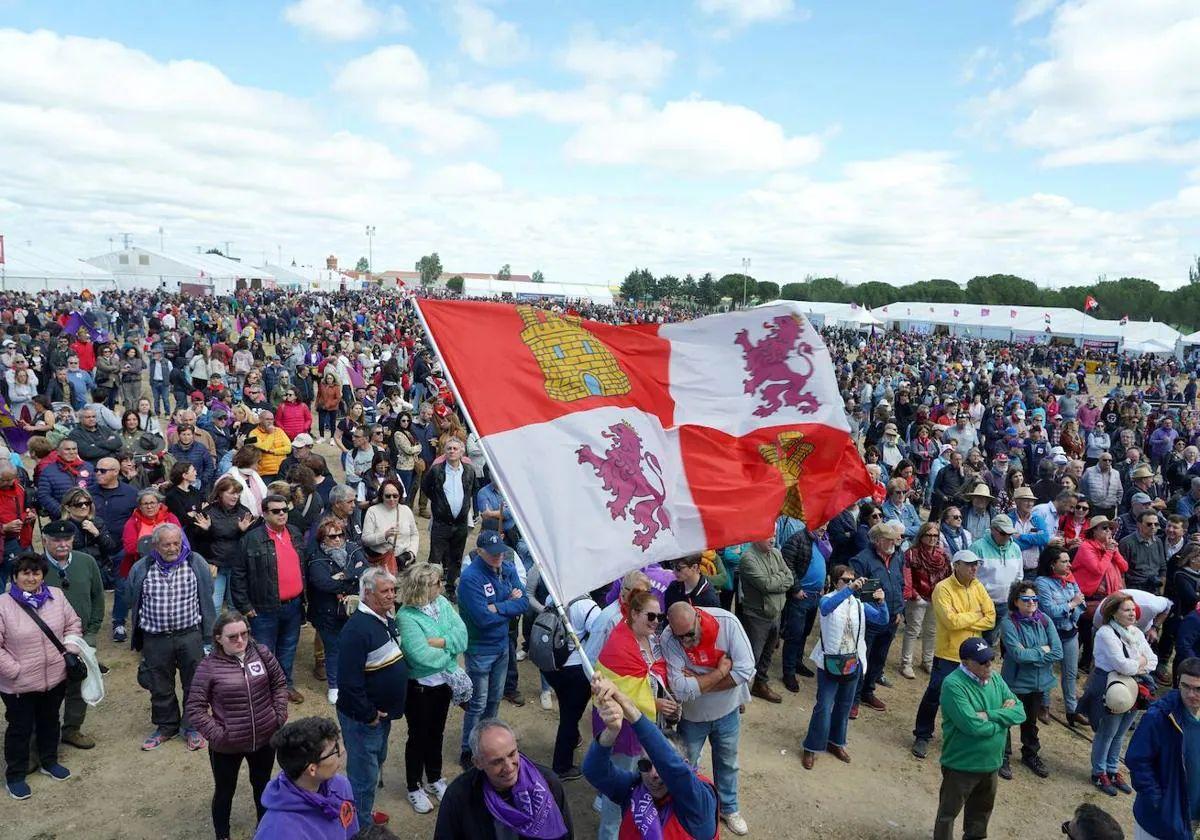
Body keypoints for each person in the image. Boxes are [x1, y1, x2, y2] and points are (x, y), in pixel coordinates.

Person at [185, 610, 290, 840]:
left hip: (264, 738)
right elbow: (195, 708)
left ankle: (264, 832)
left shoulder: (261, 653)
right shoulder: (208, 667)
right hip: (227, 747)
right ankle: (222, 836)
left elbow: (280, 684)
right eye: (232, 637)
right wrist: (220, 735)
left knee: (262, 787)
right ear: (218, 638)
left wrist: (278, 716)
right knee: (224, 792)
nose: (240, 640)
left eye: (244, 634)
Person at [661, 602, 756, 836]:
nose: (684, 641)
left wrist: (699, 683)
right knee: (686, 765)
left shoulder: (728, 623)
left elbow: (746, 670)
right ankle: (684, 809)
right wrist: (721, 672)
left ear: (698, 618)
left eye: (689, 634)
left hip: (728, 710)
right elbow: (681, 690)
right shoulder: (668, 637)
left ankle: (729, 809)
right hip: (693, 716)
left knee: (728, 762)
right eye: (679, 636)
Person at [585, 678, 718, 840]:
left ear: (685, 766)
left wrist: (629, 707)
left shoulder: (699, 801)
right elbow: (594, 771)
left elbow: (672, 766)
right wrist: (611, 731)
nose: (654, 774)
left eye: (661, 767)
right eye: (645, 765)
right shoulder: (634, 789)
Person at [0, 552, 81, 800]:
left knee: (49, 722)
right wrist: (15, 670)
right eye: (25, 572)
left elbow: (73, 623)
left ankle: (49, 761)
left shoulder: (56, 596)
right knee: (20, 729)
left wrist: (71, 649)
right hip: (19, 684)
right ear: (15, 576)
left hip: (55, 676)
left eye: (36, 573)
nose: (31, 577)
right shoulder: (3, 605)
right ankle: (15, 775)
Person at [128, 522, 216, 752]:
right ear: (156, 545)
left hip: (190, 635)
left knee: (195, 684)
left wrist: (209, 636)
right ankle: (166, 726)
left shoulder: (196, 563)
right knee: (159, 685)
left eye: (177, 543)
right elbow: (133, 598)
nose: (172, 548)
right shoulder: (141, 567)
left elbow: (207, 597)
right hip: (155, 638)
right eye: (166, 544)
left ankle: (193, 726)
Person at [335, 566, 409, 826]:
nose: (391, 596)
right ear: (367, 594)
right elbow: (348, 682)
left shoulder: (384, 617)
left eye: (393, 590)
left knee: (375, 765)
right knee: (362, 777)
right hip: (364, 720)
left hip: (380, 716)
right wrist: (368, 715)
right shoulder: (357, 630)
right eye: (385, 591)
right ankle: (358, 828)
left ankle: (363, 816)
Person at [933, 637, 1026, 840]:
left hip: (991, 764)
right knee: (948, 814)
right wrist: (1003, 719)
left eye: (990, 659)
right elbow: (972, 726)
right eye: (982, 661)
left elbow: (1020, 712)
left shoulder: (995, 678)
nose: (989, 665)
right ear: (966, 662)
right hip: (961, 764)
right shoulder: (953, 685)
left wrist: (989, 714)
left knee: (981, 814)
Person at [395, 562, 467, 815]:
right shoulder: (406, 616)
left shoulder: (443, 604)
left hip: (442, 685)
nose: (442, 586)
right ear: (424, 588)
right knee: (418, 737)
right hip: (419, 690)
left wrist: (442, 642)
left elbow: (463, 635)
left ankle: (435, 778)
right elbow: (419, 656)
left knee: (437, 733)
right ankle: (414, 786)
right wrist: (451, 650)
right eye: (438, 583)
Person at [801, 564, 886, 769]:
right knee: (823, 706)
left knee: (844, 706)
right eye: (845, 580)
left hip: (853, 661)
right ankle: (811, 746)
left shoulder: (858, 603)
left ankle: (836, 742)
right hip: (830, 662)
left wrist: (882, 602)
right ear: (834, 582)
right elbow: (827, 609)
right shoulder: (828, 599)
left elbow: (882, 620)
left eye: (852, 580)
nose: (850, 583)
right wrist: (850, 589)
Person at [912, 550, 995, 760]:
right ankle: (922, 735)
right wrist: (977, 616)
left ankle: (968, 735)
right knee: (935, 694)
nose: (974, 568)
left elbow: (991, 618)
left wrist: (965, 619)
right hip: (949, 653)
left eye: (976, 564)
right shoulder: (943, 589)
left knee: (973, 697)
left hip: (974, 653)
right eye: (969, 564)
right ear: (956, 565)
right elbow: (950, 622)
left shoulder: (978, 586)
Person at [434, 717, 573, 840]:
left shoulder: (548, 783)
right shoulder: (458, 796)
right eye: (497, 762)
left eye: (512, 754)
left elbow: (566, 835)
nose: (509, 767)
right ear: (478, 763)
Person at [457, 530, 528, 770]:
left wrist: (498, 607)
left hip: (501, 645)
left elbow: (524, 602)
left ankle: (488, 744)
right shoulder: (470, 578)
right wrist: (509, 602)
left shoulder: (506, 568)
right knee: (478, 702)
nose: (498, 557)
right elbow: (482, 619)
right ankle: (469, 750)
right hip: (480, 649)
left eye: (500, 553)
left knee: (495, 699)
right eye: (493, 554)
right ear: (479, 552)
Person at [1080, 592, 1157, 796]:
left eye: (1133, 609)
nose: (1132, 614)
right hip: (1112, 686)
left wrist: (1138, 665)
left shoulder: (1137, 632)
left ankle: (1113, 770)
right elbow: (1122, 664)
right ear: (1113, 613)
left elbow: (1153, 660)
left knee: (1122, 732)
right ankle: (1099, 772)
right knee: (1107, 732)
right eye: (1127, 610)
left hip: (1135, 687)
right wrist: (1140, 662)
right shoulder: (1105, 633)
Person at [233, 493, 306, 702]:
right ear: (264, 514)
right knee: (264, 652)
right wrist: (245, 606)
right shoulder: (251, 539)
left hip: (293, 605)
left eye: (284, 510)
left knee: (288, 648)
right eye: (275, 511)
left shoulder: (294, 533)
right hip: (263, 608)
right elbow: (238, 574)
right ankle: (266, 691)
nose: (282, 514)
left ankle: (285, 685)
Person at [39, 520, 104, 751]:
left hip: (80, 639)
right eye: (56, 539)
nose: (62, 544)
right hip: (46, 643)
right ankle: (42, 738)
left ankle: (72, 729)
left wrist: (93, 632)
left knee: (78, 684)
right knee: (47, 691)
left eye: (66, 539)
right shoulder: (35, 566)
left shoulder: (86, 562)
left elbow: (98, 597)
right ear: (45, 540)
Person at [1126, 656, 1200, 840]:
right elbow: (1137, 760)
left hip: (1192, 816)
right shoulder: (1158, 717)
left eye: (1198, 688)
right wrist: (1158, 801)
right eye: (1186, 686)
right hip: (1159, 819)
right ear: (1178, 683)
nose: (1191, 693)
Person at [254, 716, 359, 839]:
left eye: (338, 743)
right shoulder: (278, 831)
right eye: (334, 750)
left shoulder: (341, 786)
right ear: (312, 769)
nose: (342, 751)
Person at [998, 579, 1062, 780]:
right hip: (1015, 682)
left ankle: (1030, 754)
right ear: (1016, 601)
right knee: (1006, 720)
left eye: (1034, 599)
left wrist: (1032, 655)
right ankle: (1002, 756)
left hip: (1039, 683)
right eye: (1026, 599)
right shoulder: (1009, 623)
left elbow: (1058, 652)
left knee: (1030, 721)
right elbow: (1017, 654)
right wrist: (1042, 652)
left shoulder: (1045, 620)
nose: (1031, 603)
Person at [306, 516, 369, 705]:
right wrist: (352, 577)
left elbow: (365, 570)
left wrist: (343, 577)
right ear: (322, 539)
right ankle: (334, 685)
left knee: (355, 647)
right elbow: (322, 583)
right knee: (333, 649)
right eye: (331, 536)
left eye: (340, 535)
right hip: (328, 613)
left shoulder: (352, 548)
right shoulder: (317, 558)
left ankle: (353, 681)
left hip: (354, 610)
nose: (337, 540)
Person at [851, 521, 905, 713]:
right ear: (877, 541)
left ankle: (868, 692)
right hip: (871, 620)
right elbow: (858, 592)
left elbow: (900, 584)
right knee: (862, 659)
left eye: (893, 539)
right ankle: (853, 699)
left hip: (891, 619)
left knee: (879, 659)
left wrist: (899, 610)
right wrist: (875, 614)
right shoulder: (862, 560)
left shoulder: (897, 557)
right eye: (888, 539)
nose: (893, 542)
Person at [1036, 545, 1089, 727]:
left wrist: (1071, 607)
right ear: (1052, 564)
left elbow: (1082, 604)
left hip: (1070, 632)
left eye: (1069, 561)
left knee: (1070, 673)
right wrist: (1071, 605)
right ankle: (1043, 705)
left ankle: (1072, 710)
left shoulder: (1071, 580)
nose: (1069, 565)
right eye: (1064, 561)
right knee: (1047, 670)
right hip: (1050, 634)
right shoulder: (1042, 582)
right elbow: (1050, 611)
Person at [737, 537, 792, 704]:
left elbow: (790, 578)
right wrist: (780, 578)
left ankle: (760, 684)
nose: (773, 540)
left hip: (776, 612)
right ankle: (738, 696)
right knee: (751, 656)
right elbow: (765, 585)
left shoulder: (775, 553)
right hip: (756, 616)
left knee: (768, 653)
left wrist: (778, 580)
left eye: (774, 535)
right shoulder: (748, 558)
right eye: (769, 536)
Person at [1073, 516, 1129, 670]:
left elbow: (1124, 567)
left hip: (1107, 597)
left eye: (1110, 528)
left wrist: (1114, 551)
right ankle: (1075, 662)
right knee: (1084, 631)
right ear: (1094, 531)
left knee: (1097, 632)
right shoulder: (1086, 547)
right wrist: (1109, 552)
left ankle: (1087, 663)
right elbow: (1098, 570)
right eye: (1104, 528)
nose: (1108, 531)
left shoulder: (1109, 547)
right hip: (1089, 596)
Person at [422, 437, 478, 592]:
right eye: (449, 448)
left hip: (460, 524)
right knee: (435, 558)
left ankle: (451, 587)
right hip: (441, 523)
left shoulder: (469, 471)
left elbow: (473, 491)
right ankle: (430, 590)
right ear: (444, 451)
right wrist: (438, 503)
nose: (452, 451)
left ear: (462, 452)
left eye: (455, 448)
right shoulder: (436, 470)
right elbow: (426, 488)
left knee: (456, 557)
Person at [197, 476, 256, 611]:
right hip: (216, 565)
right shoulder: (208, 512)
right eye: (231, 493)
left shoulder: (244, 512)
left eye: (237, 493)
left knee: (235, 604)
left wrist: (243, 531)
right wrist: (205, 531)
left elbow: (252, 540)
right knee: (214, 604)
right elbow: (198, 542)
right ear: (220, 493)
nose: (235, 496)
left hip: (238, 565)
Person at [901, 521, 951, 680]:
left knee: (932, 631)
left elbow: (947, 577)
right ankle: (906, 663)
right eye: (928, 535)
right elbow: (907, 577)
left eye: (935, 535)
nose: (932, 538)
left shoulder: (942, 555)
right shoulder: (911, 553)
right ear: (921, 536)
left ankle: (927, 661)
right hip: (917, 598)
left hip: (936, 598)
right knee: (913, 630)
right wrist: (914, 595)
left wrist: (943, 597)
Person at [779, 524, 826, 691]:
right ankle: (788, 672)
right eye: (821, 523)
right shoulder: (797, 538)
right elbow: (786, 563)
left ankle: (798, 662)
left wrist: (823, 585)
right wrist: (796, 588)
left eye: (826, 523)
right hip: (800, 596)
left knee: (805, 632)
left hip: (814, 596)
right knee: (794, 634)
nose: (824, 527)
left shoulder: (821, 541)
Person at [970, 516, 1023, 645]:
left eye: (1010, 534)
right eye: (1003, 533)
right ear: (993, 530)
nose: (1007, 537)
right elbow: (969, 577)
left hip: (1005, 603)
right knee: (976, 638)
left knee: (991, 639)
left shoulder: (1015, 548)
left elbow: (1019, 576)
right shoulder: (977, 547)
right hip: (981, 604)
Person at [360, 479, 419, 575]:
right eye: (388, 496)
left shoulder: (406, 510)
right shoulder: (372, 511)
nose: (392, 499)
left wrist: (411, 553)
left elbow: (414, 534)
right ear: (382, 496)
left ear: (400, 496)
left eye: (395, 496)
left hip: (405, 562)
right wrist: (384, 536)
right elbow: (365, 540)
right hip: (383, 563)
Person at [36, 438, 96, 518]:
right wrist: (63, 512)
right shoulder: (48, 471)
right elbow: (44, 495)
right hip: (62, 519)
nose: (71, 452)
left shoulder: (89, 467)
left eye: (74, 449)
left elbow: (96, 490)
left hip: (87, 515)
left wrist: (89, 510)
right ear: (58, 452)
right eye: (67, 449)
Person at [245, 409, 292, 482]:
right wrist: (271, 434)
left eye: (272, 419)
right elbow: (264, 448)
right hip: (265, 473)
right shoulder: (253, 434)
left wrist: (273, 451)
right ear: (260, 420)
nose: (270, 421)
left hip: (281, 470)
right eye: (267, 419)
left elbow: (289, 448)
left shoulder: (279, 431)